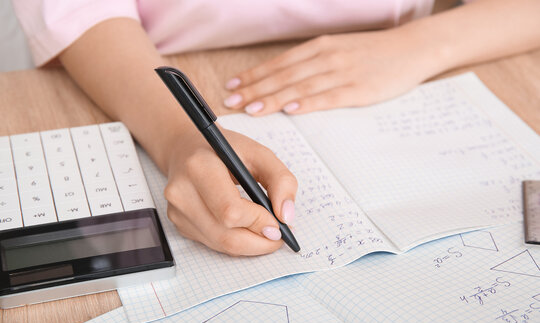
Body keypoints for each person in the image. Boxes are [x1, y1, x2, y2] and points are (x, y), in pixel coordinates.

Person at [12, 0, 540, 256]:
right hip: (137, 69)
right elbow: (76, 11)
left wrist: (426, 45)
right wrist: (178, 135)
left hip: (412, 56)